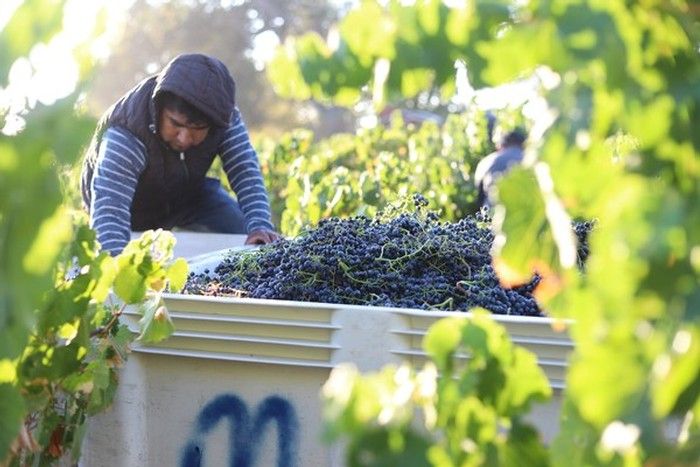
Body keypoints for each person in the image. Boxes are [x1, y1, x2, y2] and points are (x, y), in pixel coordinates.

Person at [81, 53, 280, 255]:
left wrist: (260, 224)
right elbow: (109, 210)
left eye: (197, 128)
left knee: (247, 234)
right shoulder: (127, 133)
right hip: (130, 207)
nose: (184, 138)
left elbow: (244, 170)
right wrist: (116, 271)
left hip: (187, 194)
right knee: (114, 249)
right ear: (159, 108)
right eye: (175, 124)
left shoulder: (223, 117)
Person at [473, 128, 527, 208]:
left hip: (494, 213)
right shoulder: (529, 160)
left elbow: (480, 195)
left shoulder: (486, 162)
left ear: (500, 145)